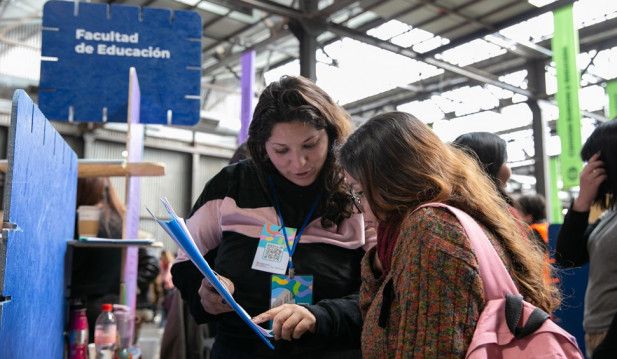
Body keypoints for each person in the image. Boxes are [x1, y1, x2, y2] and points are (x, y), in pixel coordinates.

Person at [171, 75, 376, 358]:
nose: (299, 162)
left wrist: (321, 316)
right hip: (241, 348)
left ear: (331, 135)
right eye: (281, 150)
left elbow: (381, 287)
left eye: (310, 144)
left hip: (333, 349)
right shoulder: (232, 186)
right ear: (262, 146)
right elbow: (185, 261)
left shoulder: (355, 188)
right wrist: (203, 292)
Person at [338, 111, 559, 358]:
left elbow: (431, 349)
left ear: (392, 183)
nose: (361, 207)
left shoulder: (431, 229)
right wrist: (377, 266)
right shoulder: (450, 217)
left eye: (361, 193)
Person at [555, 116, 617, 359]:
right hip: (604, 335)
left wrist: (610, 351)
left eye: (596, 163)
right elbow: (568, 257)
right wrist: (582, 202)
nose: (589, 171)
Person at [70, 177, 159, 344]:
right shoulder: (123, 223)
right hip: (115, 308)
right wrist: (128, 287)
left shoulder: (80, 221)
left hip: (83, 307)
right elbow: (151, 265)